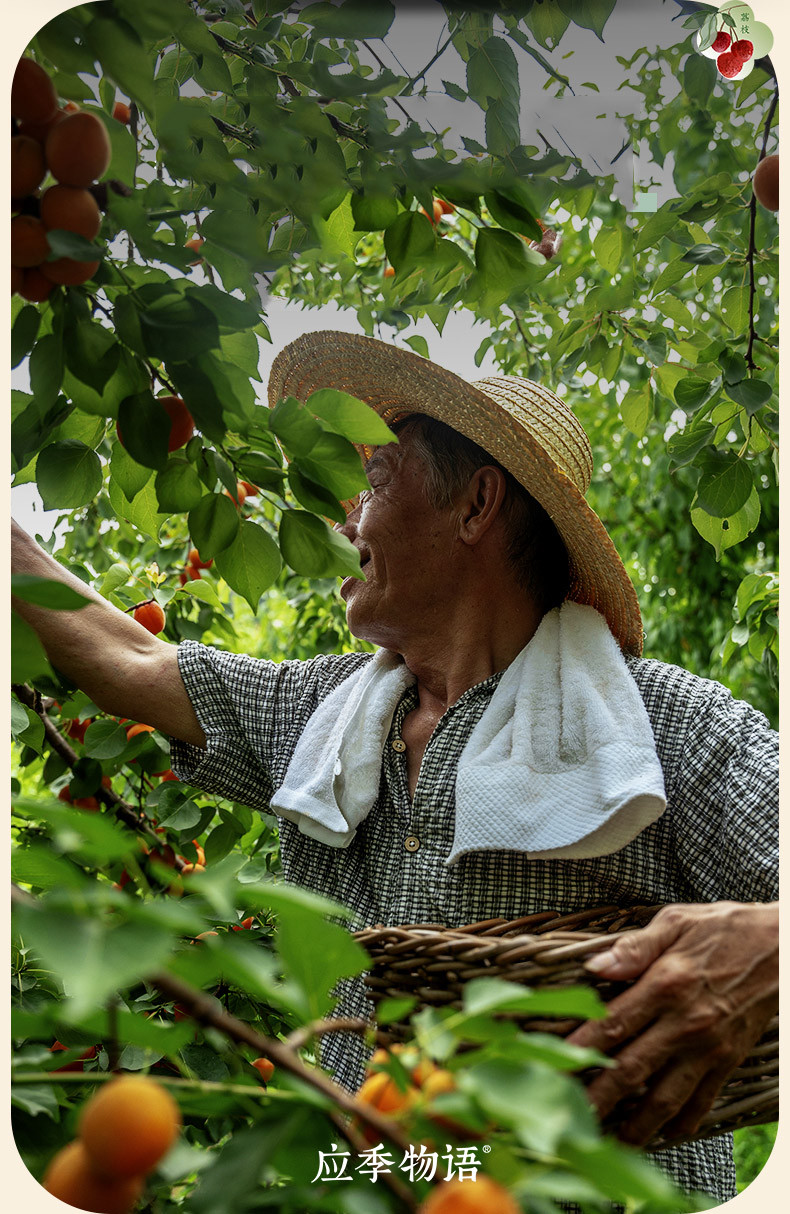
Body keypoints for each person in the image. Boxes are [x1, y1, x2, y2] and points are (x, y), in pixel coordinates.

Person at [11, 330, 778, 1207]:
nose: (346, 516)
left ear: (477, 504)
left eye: (376, 480)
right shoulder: (326, 715)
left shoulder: (663, 727)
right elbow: (133, 661)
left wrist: (765, 947)